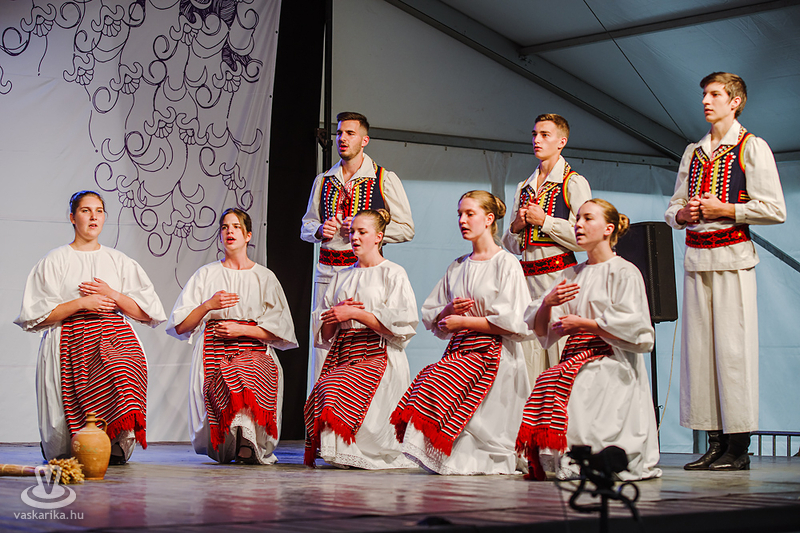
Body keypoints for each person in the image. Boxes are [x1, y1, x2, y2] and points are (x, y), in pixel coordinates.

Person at [665, 72, 786, 471]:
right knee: (700, 354)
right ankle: (715, 442)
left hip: (733, 259)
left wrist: (727, 209)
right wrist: (682, 215)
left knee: (734, 352)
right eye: (704, 94)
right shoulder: (693, 152)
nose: (706, 100)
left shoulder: (751, 146)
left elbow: (774, 209)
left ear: (735, 101)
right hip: (697, 259)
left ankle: (739, 446)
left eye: (715, 94)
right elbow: (673, 206)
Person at [15, 190, 166, 463]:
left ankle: (114, 442)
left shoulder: (119, 261)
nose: (93, 217)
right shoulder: (56, 260)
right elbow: (36, 316)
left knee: (125, 370)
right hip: (70, 337)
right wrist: (81, 303)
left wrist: (113, 294)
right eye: (86, 211)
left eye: (99, 211)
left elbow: (147, 313)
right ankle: (78, 444)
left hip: (115, 337)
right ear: (72, 218)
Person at [517, 199, 661, 482]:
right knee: (550, 381)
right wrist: (547, 303)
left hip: (610, 357)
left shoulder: (624, 271)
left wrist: (586, 324)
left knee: (586, 384)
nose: (578, 225)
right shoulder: (572, 273)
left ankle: (600, 456)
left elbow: (637, 328)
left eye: (587, 219)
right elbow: (543, 327)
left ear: (609, 229)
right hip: (575, 357)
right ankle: (571, 456)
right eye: (578, 218)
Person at [391, 190, 530, 475]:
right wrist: (448, 312)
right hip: (459, 351)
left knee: (437, 378)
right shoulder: (458, 265)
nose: (462, 221)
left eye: (469, 214)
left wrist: (463, 323)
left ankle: (479, 454)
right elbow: (432, 314)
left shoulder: (505, 263)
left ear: (489, 219)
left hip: (494, 352)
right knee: (428, 379)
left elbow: (513, 321)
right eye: (459, 215)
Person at [166, 208, 298, 464]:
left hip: (254, 348)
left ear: (248, 235)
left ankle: (248, 444)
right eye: (225, 227)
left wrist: (242, 330)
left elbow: (281, 331)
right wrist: (208, 305)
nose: (230, 231)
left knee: (242, 373)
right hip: (213, 349)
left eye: (236, 227)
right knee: (226, 376)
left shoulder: (264, 277)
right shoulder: (206, 274)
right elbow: (181, 326)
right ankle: (228, 445)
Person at [301, 112, 415, 391]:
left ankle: (367, 406)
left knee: (364, 339)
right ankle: (324, 411)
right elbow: (306, 225)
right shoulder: (324, 180)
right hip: (328, 272)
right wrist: (320, 230)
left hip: (366, 274)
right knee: (323, 344)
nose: (342, 138)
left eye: (350, 133)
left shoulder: (383, 178)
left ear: (365, 140)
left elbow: (406, 228)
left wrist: (366, 229)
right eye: (339, 133)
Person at [304, 209, 418, 469]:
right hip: (344, 354)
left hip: (378, 353)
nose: (354, 237)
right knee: (323, 389)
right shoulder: (341, 276)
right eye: (352, 232)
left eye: (362, 232)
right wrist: (335, 315)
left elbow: (400, 325)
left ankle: (358, 449)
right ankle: (341, 449)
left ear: (378, 237)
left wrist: (356, 313)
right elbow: (326, 335)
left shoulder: (393, 273)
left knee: (334, 389)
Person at [502, 114, 592, 386]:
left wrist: (546, 221)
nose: (537, 140)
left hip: (559, 279)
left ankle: (562, 412)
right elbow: (510, 245)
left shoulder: (573, 182)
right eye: (534, 134)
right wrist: (516, 227)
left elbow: (585, 237)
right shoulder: (524, 186)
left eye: (544, 135)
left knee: (559, 356)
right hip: (527, 283)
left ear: (561, 142)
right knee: (528, 361)